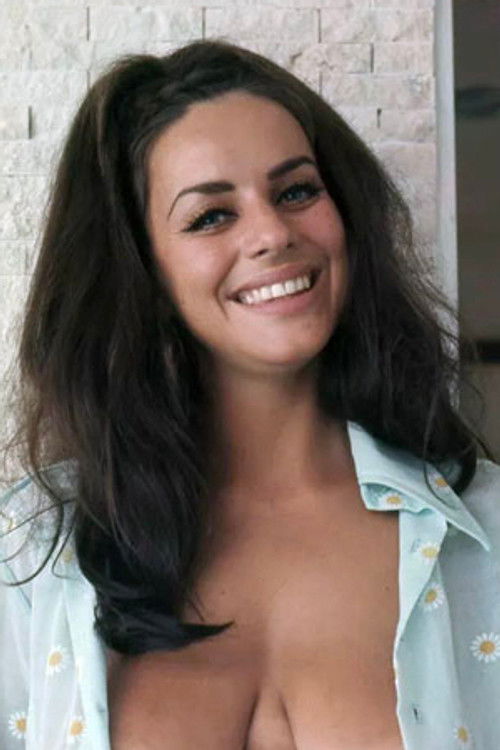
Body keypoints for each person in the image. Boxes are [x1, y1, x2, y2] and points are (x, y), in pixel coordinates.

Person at [0, 38, 499, 750]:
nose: (272, 233)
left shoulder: (482, 536)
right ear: (142, 271)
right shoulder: (29, 555)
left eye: (297, 191)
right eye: (210, 216)